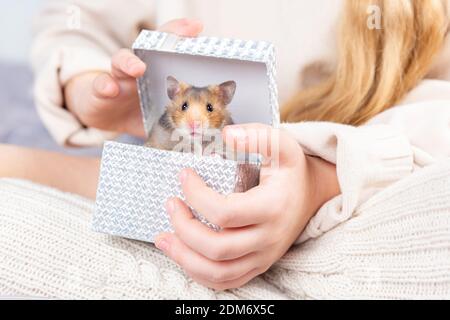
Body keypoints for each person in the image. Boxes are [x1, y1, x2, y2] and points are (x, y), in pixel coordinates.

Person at [1, 0, 449, 291]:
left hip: (359, 175)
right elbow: (76, 18)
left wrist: (320, 177)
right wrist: (90, 90)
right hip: (181, 176)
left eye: (209, 111)